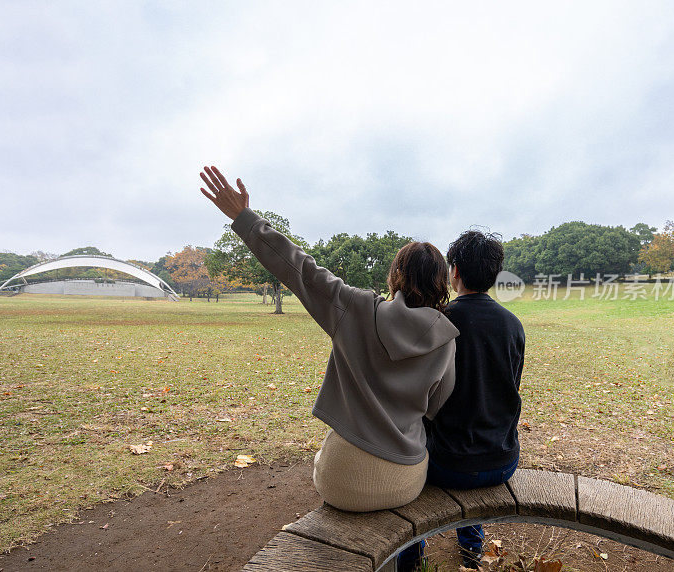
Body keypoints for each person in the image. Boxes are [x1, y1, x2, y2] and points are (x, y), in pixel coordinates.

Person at [199, 166, 459, 511]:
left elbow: (299, 268)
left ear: (395, 275)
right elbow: (435, 408)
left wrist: (245, 218)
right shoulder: (447, 338)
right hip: (405, 479)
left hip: (342, 479)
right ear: (441, 281)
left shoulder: (356, 307)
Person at [398, 230, 525, 571]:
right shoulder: (513, 325)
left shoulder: (440, 321)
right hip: (503, 460)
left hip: (448, 464)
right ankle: (471, 548)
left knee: (410, 457)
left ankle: (410, 558)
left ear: (454, 272)